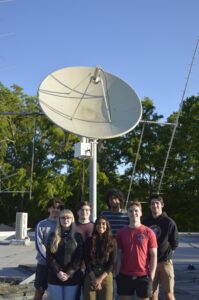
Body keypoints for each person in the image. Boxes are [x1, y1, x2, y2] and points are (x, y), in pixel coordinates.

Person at [116, 201, 157, 300]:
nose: (134, 213)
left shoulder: (149, 232)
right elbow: (118, 255)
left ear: (141, 213)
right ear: (128, 213)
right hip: (125, 275)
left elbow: (154, 255)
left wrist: (151, 276)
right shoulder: (121, 233)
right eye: (131, 211)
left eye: (136, 210)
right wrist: (117, 274)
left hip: (143, 275)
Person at [142, 194, 179, 300]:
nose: (155, 205)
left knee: (169, 294)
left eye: (157, 203)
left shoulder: (169, 222)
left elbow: (174, 243)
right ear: (149, 206)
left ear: (162, 205)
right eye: (152, 203)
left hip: (165, 263)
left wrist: (166, 256)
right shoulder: (145, 222)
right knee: (152, 294)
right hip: (149, 264)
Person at [46, 209, 84, 300]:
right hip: (55, 276)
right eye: (63, 217)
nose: (65, 220)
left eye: (68, 218)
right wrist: (58, 272)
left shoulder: (77, 236)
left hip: (72, 277)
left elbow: (79, 257)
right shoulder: (53, 235)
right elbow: (49, 257)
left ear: (72, 220)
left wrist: (69, 273)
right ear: (59, 220)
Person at [33, 197, 64, 300]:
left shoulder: (64, 224)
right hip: (44, 264)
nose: (55, 210)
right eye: (53, 207)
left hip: (59, 266)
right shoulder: (41, 224)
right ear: (48, 209)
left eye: (58, 208)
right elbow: (39, 245)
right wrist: (49, 260)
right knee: (39, 291)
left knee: (56, 294)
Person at [84, 216, 115, 300]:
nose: (101, 225)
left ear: (107, 226)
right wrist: (94, 278)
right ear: (95, 226)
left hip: (106, 274)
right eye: (98, 223)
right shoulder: (89, 240)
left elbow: (112, 263)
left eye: (103, 223)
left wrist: (100, 279)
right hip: (91, 274)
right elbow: (86, 260)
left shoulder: (112, 241)